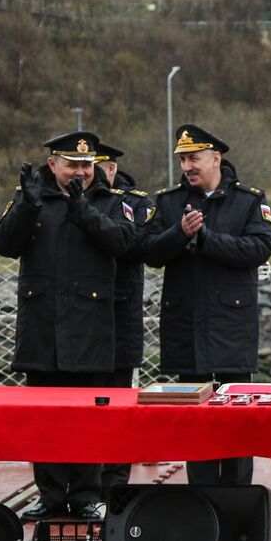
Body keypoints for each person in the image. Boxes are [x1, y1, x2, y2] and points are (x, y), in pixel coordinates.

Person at [0, 130, 135, 521]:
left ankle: (87, 494)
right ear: (52, 164)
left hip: (89, 330)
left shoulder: (109, 201)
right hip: (42, 328)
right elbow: (3, 243)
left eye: (86, 166)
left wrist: (81, 209)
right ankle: (51, 495)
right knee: (44, 419)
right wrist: (26, 208)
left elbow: (122, 242)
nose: (81, 173)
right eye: (72, 165)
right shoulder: (31, 197)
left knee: (89, 417)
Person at [142, 125, 271, 486]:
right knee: (194, 419)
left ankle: (237, 494)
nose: (187, 166)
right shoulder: (168, 202)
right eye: (183, 159)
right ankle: (200, 498)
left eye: (194, 158)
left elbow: (258, 249)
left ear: (216, 158)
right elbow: (150, 252)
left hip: (231, 325)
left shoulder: (248, 201)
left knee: (236, 417)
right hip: (186, 323)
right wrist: (179, 233)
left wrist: (206, 238)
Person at [94, 142, 152, 496]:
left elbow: (134, 244)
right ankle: (78, 484)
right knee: (79, 405)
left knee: (116, 402)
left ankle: (114, 482)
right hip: (79, 322)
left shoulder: (134, 203)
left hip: (119, 316)